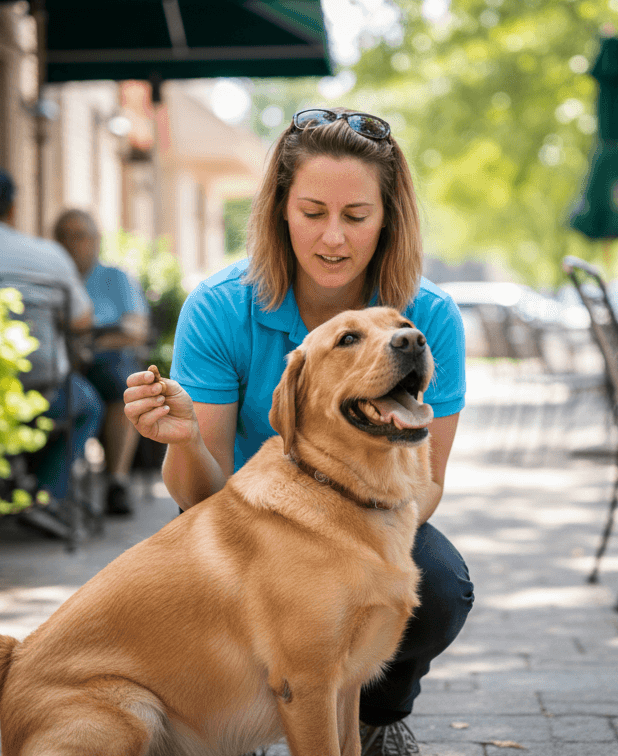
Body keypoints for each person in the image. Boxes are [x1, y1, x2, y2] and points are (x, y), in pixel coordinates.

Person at [122, 107, 473, 756]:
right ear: (280, 210)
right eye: (312, 213)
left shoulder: (428, 319)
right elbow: (197, 503)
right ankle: (240, 715)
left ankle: (375, 718)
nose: (332, 238)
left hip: (374, 520)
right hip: (245, 533)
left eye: (356, 216)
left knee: (441, 585)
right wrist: (184, 442)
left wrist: (343, 546)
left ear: (388, 218)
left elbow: (427, 485)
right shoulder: (222, 307)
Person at [0, 167, 104, 535]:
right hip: (41, 393)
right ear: (12, 210)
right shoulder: (47, 255)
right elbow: (82, 320)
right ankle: (45, 496)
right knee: (88, 405)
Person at [53, 208, 149, 516]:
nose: (71, 243)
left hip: (103, 361)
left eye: (79, 236)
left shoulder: (115, 278)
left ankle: (117, 482)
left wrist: (92, 343)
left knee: (121, 382)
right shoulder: (51, 276)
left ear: (96, 241)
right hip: (59, 362)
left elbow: (136, 330)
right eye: (63, 237)